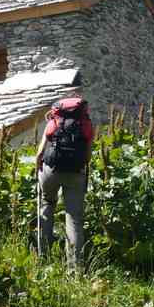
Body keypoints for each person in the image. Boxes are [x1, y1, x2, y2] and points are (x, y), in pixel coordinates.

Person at [34, 95, 94, 269]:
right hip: (75, 172)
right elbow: (88, 157)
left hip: (50, 170)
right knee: (73, 218)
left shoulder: (54, 120)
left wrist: (40, 170)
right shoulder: (85, 124)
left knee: (46, 205)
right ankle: (74, 269)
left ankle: (42, 258)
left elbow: (39, 154)